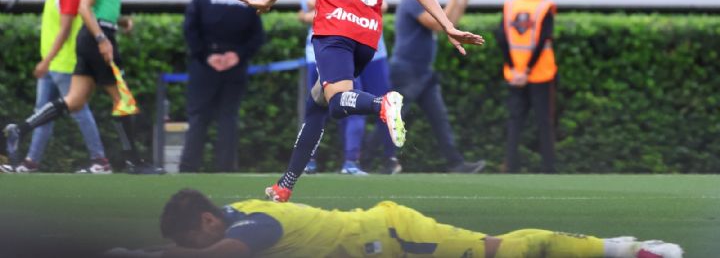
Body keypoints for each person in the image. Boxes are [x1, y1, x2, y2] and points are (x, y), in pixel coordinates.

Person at [240, 0, 485, 202]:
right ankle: (285, 185)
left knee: (340, 102)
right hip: (367, 39)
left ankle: (382, 103)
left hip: (332, 31)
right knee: (318, 104)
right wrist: (448, 24)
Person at [3, 0, 164, 175]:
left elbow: (97, 7)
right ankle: (133, 162)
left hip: (95, 36)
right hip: (97, 37)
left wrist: (120, 21)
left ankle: (19, 130)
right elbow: (85, 8)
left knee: (75, 101)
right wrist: (102, 38)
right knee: (122, 99)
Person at [111, 188, 684, 257]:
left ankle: (626, 250)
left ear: (209, 222)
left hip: (394, 237)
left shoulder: (249, 230)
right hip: (380, 240)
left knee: (502, 251)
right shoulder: (232, 214)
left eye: (191, 239)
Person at [0, 0, 109, 174]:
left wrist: (46, 60)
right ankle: (31, 162)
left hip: (65, 64)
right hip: (54, 65)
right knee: (42, 114)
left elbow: (66, 29)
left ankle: (100, 160)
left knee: (79, 111)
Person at [298, 0, 397, 175]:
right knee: (319, 107)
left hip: (352, 52)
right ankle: (310, 161)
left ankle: (354, 161)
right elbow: (310, 5)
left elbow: (383, 5)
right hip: (324, 54)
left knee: (349, 104)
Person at [390, 0, 485, 174]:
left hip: (423, 72)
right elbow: (436, 24)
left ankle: (455, 163)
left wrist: (462, 0)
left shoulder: (427, 0)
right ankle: (370, 159)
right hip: (408, 70)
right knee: (394, 118)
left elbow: (449, 25)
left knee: (439, 118)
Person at [179, 0, 264, 173]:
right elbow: (257, 36)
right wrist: (238, 55)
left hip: (204, 66)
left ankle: (189, 167)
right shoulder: (246, 1)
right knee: (229, 117)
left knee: (198, 116)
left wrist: (206, 55)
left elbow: (190, 29)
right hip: (235, 68)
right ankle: (226, 168)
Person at [496, 0, 557, 173]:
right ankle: (548, 169)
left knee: (515, 122)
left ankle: (510, 167)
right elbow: (542, 41)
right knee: (544, 123)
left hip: (514, 75)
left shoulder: (511, 6)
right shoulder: (544, 7)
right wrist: (528, 69)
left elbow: (502, 38)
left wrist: (515, 68)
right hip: (539, 74)